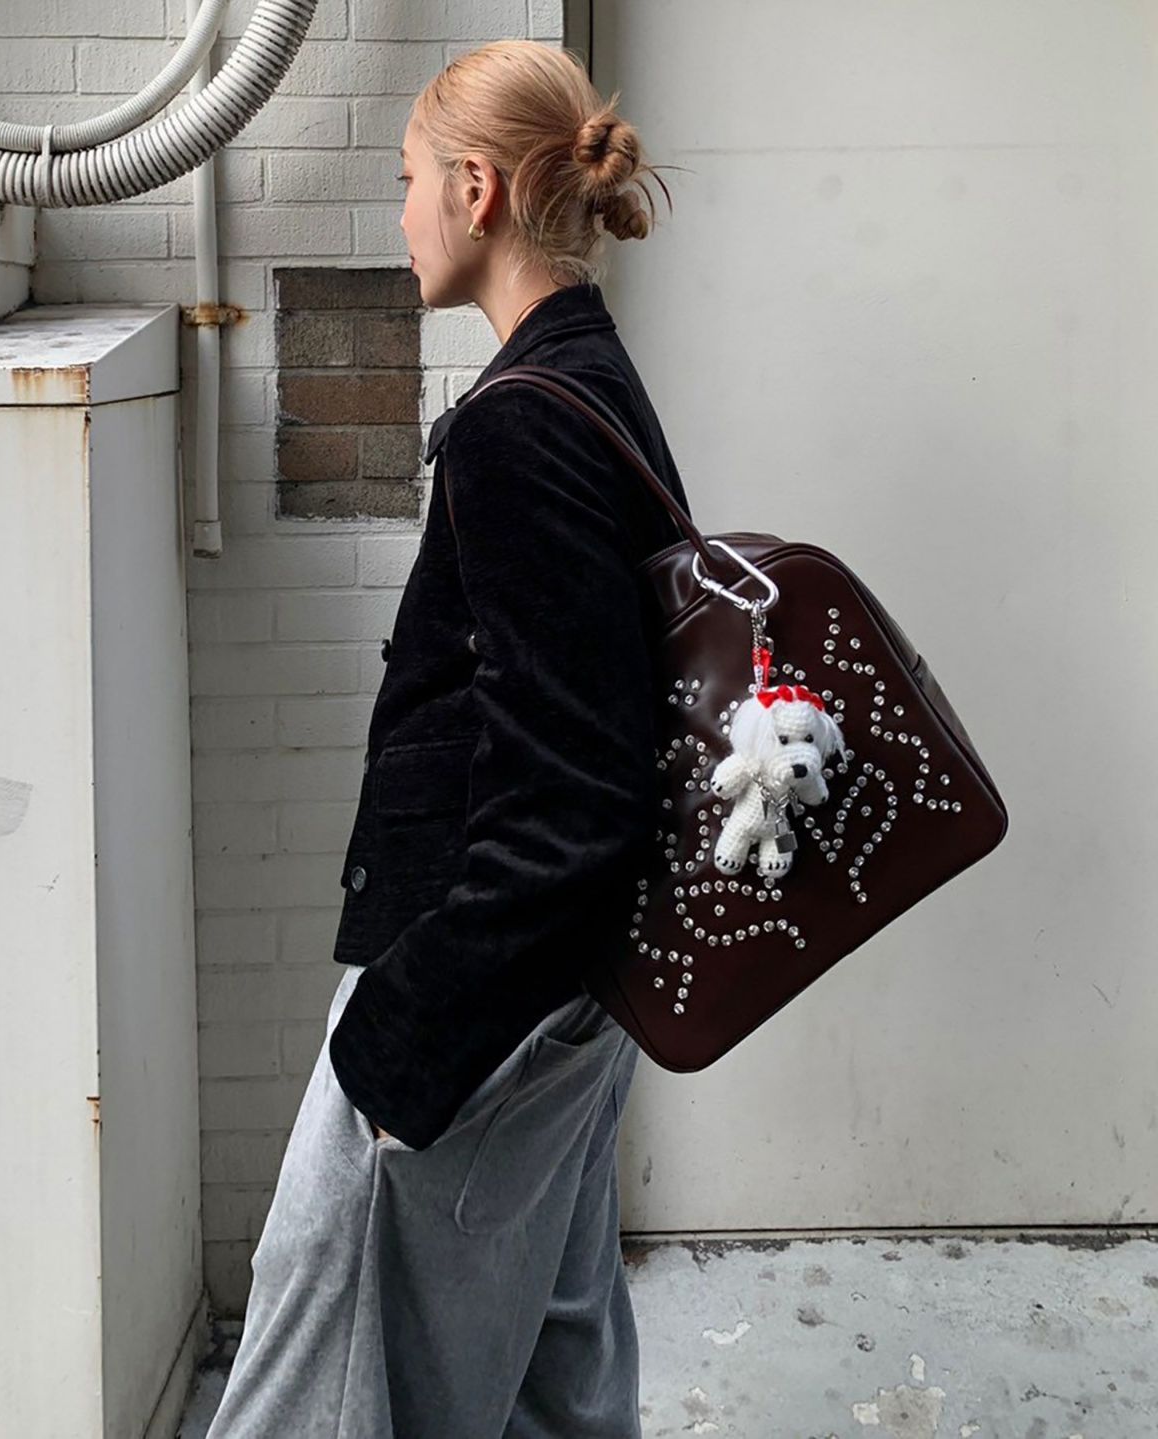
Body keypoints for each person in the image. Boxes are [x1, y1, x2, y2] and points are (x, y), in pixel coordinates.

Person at [206, 38, 693, 1439]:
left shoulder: (519, 429)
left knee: (327, 1372)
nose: (404, 209)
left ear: (477, 190)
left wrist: (401, 1050)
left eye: (410, 178)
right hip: (569, 992)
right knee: (550, 1378)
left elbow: (572, 792)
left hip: (476, 997)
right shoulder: (592, 378)